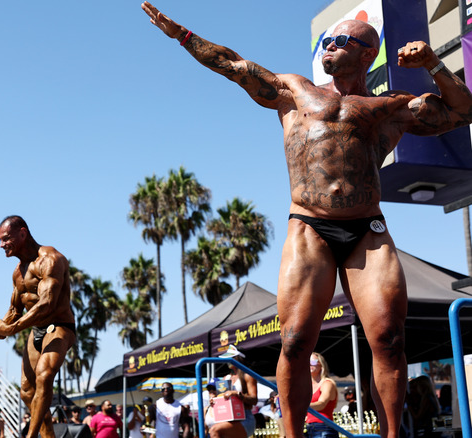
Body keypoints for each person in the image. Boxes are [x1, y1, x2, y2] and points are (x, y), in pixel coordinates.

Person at [140, 3, 472, 437]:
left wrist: (432, 63)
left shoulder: (391, 107)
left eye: (341, 41)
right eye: (326, 42)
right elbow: (232, 65)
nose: (329, 47)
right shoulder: (295, 91)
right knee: (296, 343)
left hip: (367, 232)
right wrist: (182, 36)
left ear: (368, 52)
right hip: (310, 227)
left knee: (390, 342)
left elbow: (461, 111)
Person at [0, 215, 77, 438]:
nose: (2, 245)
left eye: (6, 239)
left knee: (44, 376)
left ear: (22, 233)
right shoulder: (18, 273)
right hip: (36, 331)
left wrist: (11, 329)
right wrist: (2, 324)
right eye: (0, 240)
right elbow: (14, 310)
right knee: (27, 393)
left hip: (59, 326)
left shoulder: (50, 259)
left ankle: (29, 437)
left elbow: (47, 304)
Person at [209, 346, 257, 438]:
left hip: (245, 418)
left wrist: (237, 394)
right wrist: (214, 401)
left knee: (215, 431)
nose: (227, 361)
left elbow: (254, 400)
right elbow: (221, 398)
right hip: (227, 417)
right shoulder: (226, 378)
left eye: (230, 358)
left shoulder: (247, 376)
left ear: (237, 359)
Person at [306, 352, 338, 438]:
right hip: (309, 427)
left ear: (321, 364)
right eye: (307, 361)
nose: (309, 364)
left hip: (323, 426)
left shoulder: (327, 383)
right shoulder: (307, 385)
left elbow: (321, 404)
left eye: (313, 362)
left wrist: (301, 406)